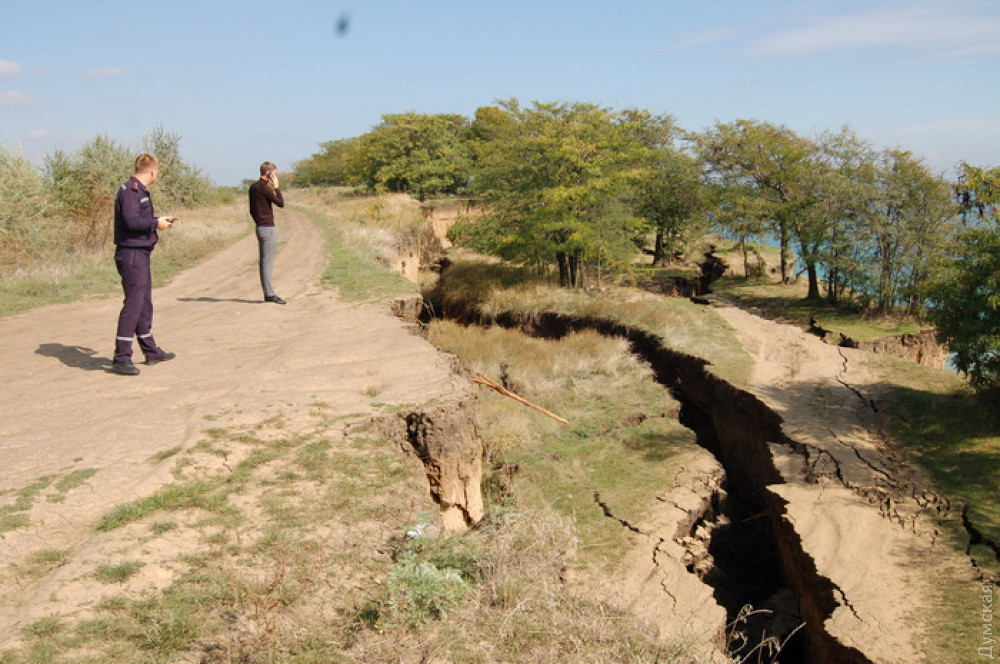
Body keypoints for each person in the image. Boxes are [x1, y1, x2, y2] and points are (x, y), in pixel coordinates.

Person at [111, 153, 178, 376]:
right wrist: (155, 223)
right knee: (133, 304)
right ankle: (122, 357)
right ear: (153, 171)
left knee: (143, 303)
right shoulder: (131, 191)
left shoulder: (137, 190)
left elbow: (138, 219)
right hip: (131, 254)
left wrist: (158, 220)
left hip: (139, 253)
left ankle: (151, 351)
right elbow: (131, 221)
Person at [248, 161, 286, 304]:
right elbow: (280, 203)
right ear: (269, 173)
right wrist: (276, 187)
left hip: (259, 226)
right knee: (267, 262)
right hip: (267, 227)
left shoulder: (253, 187)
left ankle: (268, 293)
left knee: (265, 261)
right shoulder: (264, 188)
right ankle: (269, 294)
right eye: (274, 174)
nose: (275, 176)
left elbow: (252, 210)